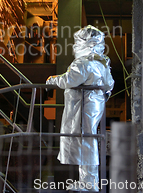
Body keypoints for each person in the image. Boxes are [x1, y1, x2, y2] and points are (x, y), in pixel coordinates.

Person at [46, 25, 114, 191]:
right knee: (87, 141)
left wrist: (52, 80)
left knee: (86, 142)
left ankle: (89, 183)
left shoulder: (84, 62)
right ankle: (88, 181)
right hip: (93, 105)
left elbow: (69, 80)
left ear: (84, 43)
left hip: (84, 106)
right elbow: (109, 84)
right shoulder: (101, 61)